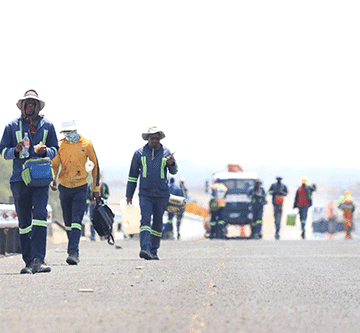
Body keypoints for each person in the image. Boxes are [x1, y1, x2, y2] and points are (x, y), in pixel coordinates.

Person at [0, 90, 59, 274]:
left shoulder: (47, 125)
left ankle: (39, 259)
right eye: (27, 103)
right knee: (24, 221)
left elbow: (55, 150)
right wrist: (15, 151)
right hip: (19, 180)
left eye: (33, 103)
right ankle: (28, 261)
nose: (30, 106)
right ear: (23, 107)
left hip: (41, 179)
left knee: (40, 215)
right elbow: (2, 151)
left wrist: (45, 151)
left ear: (38, 106)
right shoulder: (11, 126)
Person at [50, 120, 100, 265]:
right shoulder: (60, 146)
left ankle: (73, 252)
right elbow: (54, 165)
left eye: (71, 132)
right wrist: (52, 179)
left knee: (76, 220)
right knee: (68, 222)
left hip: (80, 187)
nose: (69, 135)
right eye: (66, 132)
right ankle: (73, 248)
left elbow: (95, 165)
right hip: (65, 187)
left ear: (76, 130)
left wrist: (95, 189)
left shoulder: (86, 144)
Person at [126, 126, 178, 260]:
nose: (154, 140)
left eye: (156, 138)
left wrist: (172, 164)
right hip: (145, 194)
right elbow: (132, 176)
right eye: (151, 138)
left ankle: (154, 250)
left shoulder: (167, 153)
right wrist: (129, 195)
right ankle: (145, 248)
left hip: (161, 194)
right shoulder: (139, 153)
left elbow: (174, 171)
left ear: (160, 139)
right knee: (145, 219)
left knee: (157, 223)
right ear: (147, 138)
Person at [87, 172, 110, 241]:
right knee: (92, 220)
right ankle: (93, 236)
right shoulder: (90, 186)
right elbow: (87, 196)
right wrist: (90, 202)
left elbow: (107, 194)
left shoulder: (104, 185)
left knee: (102, 220)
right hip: (93, 206)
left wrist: (103, 199)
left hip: (102, 205)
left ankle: (102, 235)